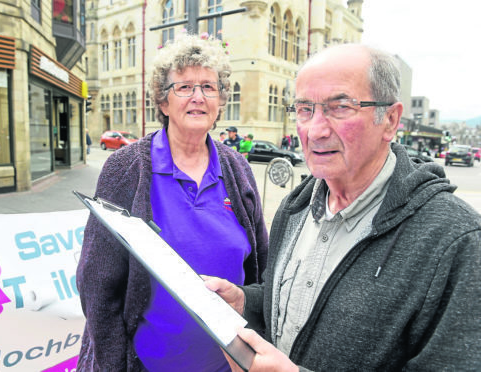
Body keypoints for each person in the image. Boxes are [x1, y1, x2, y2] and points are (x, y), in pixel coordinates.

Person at [205, 44, 481, 371]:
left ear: (390, 120)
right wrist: (245, 302)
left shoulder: (457, 242)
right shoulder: (295, 208)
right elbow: (283, 303)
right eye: (305, 109)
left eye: (340, 107)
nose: (315, 130)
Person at [76, 34, 268, 371]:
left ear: (220, 100)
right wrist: (111, 365)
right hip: (148, 364)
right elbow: (97, 282)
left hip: (229, 364)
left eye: (209, 87)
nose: (198, 97)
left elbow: (262, 265)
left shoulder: (237, 169)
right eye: (184, 87)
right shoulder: (126, 168)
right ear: (163, 102)